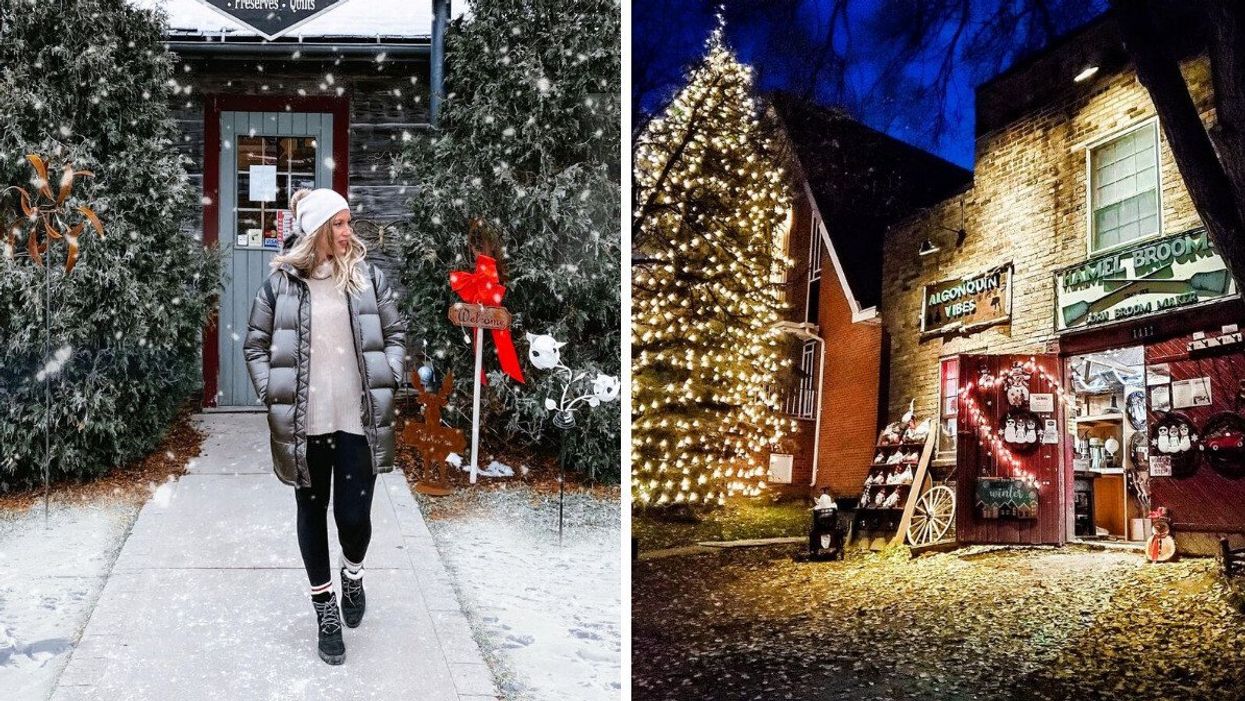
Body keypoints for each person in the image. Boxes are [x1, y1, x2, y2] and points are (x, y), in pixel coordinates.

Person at [242, 187, 407, 665]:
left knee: (354, 519)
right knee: (311, 514)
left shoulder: (367, 278)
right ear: (316, 230)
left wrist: (389, 375)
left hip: (357, 418)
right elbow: (255, 345)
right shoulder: (280, 286)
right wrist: (273, 392)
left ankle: (352, 572)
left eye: (348, 222)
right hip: (306, 425)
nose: (347, 231)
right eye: (338, 223)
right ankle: (325, 610)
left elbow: (395, 333)